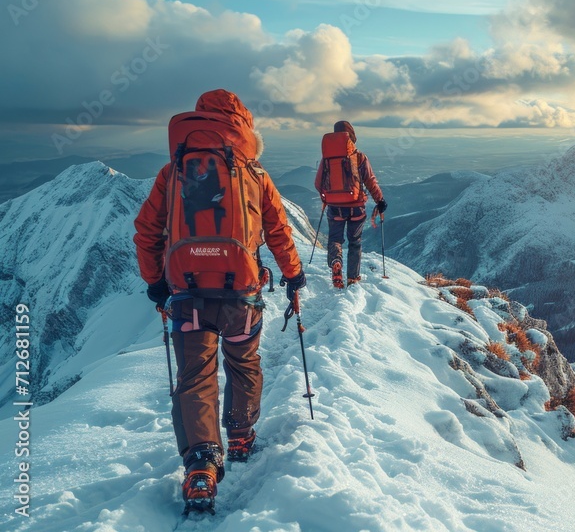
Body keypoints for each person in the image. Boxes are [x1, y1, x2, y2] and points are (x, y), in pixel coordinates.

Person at [134, 89, 306, 513]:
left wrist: (156, 283)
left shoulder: (171, 173)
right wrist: (293, 276)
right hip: (241, 294)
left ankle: (201, 467)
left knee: (195, 376)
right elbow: (278, 231)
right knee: (243, 362)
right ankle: (241, 435)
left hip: (187, 293)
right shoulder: (254, 172)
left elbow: (146, 231)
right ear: (242, 127)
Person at [319, 120, 387, 288]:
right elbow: (370, 181)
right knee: (355, 241)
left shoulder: (327, 158)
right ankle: (352, 277)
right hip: (356, 208)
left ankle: (336, 261)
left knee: (335, 239)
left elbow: (317, 182)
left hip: (335, 207)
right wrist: (380, 201)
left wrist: (326, 197)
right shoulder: (359, 157)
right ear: (352, 136)